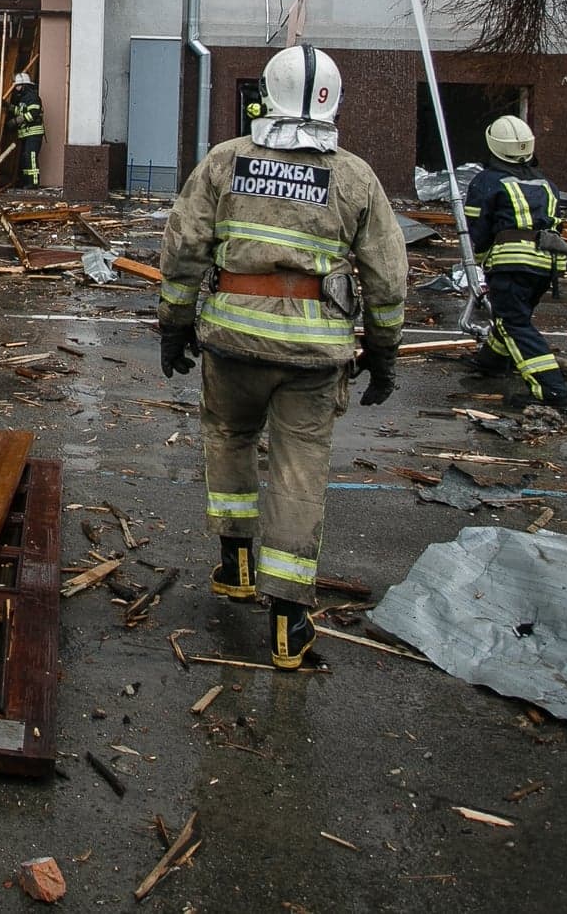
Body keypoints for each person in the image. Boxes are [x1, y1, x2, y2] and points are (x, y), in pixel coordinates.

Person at [157, 43, 407, 670]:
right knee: (299, 474)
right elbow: (387, 274)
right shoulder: (353, 176)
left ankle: (235, 563)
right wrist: (384, 350)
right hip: (315, 356)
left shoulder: (224, 161)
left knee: (229, 439)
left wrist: (174, 324)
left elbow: (185, 245)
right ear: (332, 99)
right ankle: (289, 623)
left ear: (265, 93)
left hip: (232, 342)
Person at [462, 114, 567, 412]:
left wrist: (484, 262)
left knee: (514, 323)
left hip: (512, 263)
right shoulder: (547, 184)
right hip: (545, 266)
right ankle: (492, 362)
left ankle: (550, 392)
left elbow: (479, 229)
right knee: (512, 316)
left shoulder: (487, 181)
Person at [5, 71, 46, 189]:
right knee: (25, 157)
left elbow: (33, 114)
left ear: (24, 85)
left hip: (34, 133)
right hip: (26, 134)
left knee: (31, 156)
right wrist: (10, 107)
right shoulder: (23, 98)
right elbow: (22, 110)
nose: (16, 88)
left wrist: (16, 121)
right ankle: (26, 181)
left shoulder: (32, 97)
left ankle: (33, 183)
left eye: (18, 85)